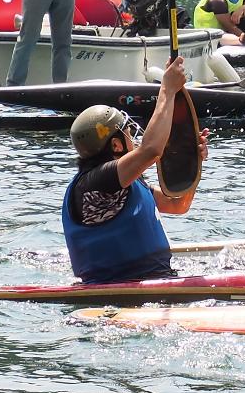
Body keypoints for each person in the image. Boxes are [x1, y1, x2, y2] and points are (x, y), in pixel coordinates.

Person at [63, 56, 206, 284]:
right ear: (116, 145)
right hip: (119, 289)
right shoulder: (96, 183)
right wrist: (167, 90)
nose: (133, 137)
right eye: (128, 132)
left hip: (156, 281)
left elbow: (178, 205)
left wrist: (193, 161)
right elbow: (151, 150)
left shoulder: (127, 181)